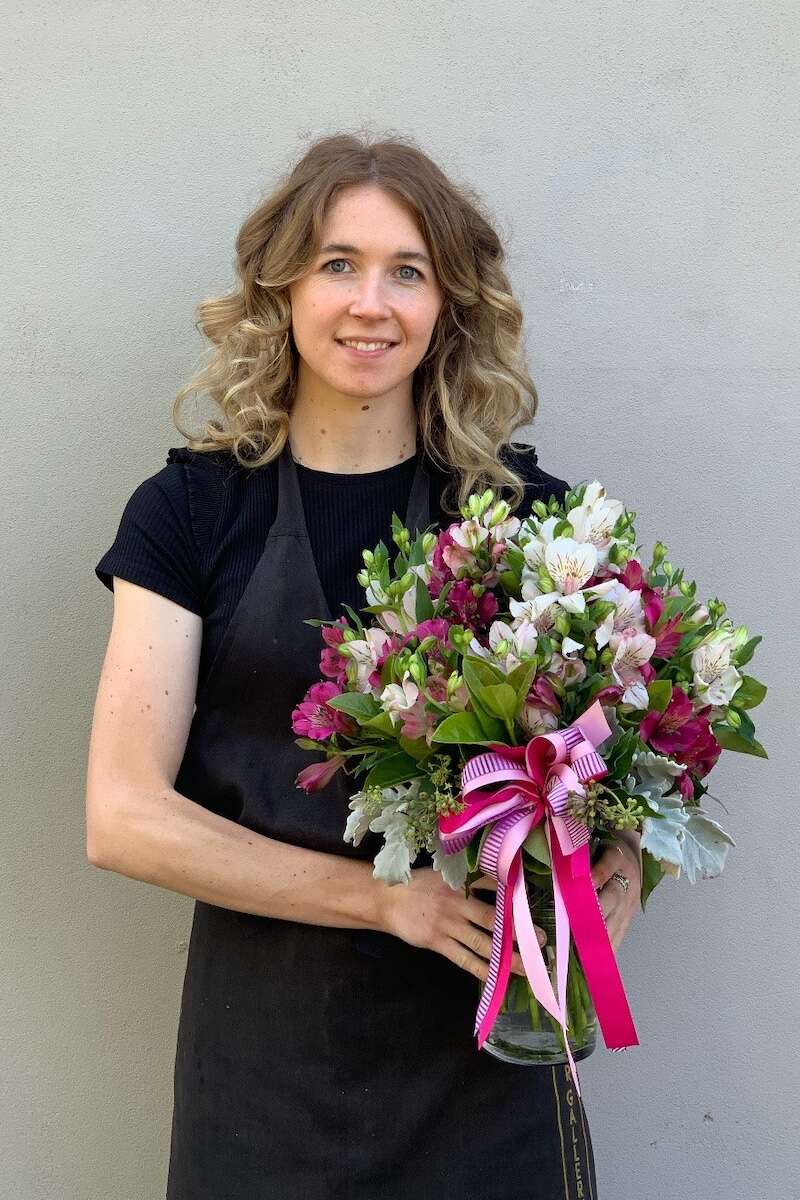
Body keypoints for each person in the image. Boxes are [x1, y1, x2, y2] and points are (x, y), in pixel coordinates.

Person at [86, 133, 642, 1200]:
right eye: (337, 263)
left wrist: (614, 877)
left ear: (448, 307)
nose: (368, 304)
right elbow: (123, 816)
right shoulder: (191, 515)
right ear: (282, 287)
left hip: (481, 1058)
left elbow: (609, 777)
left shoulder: (533, 524)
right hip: (265, 1055)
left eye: (407, 272)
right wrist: (390, 903)